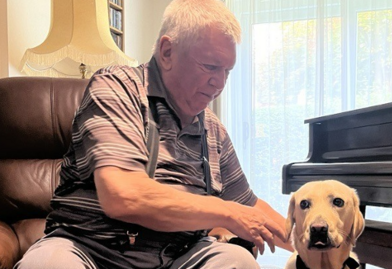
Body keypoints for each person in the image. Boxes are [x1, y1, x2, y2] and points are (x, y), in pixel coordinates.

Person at [14, 0, 293, 268]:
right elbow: (123, 195)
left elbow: (250, 205)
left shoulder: (213, 130)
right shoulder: (116, 89)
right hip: (89, 249)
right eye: (210, 67)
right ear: (167, 51)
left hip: (178, 257)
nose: (219, 83)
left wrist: (318, 241)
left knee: (238, 261)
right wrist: (227, 212)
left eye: (227, 72)